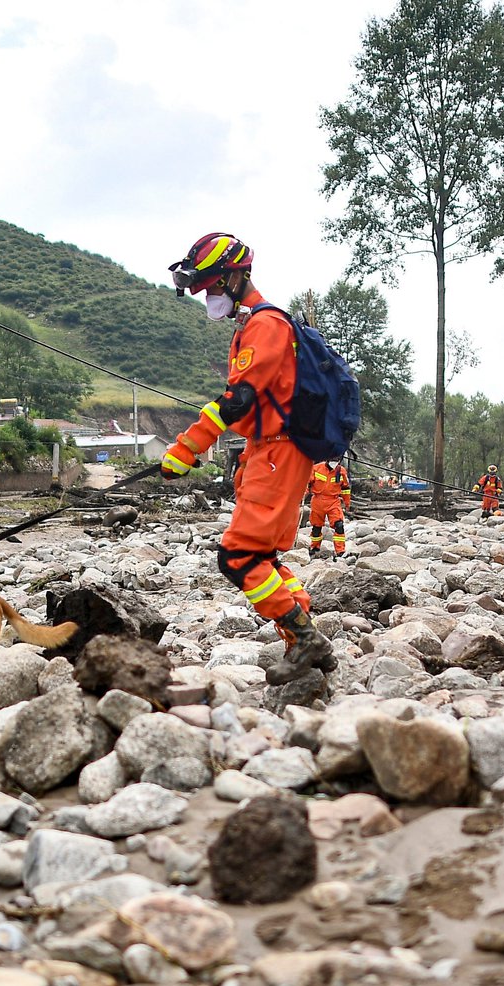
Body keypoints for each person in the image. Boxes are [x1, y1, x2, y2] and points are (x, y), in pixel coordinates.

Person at [160, 231, 335, 684]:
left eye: (214, 286)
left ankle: (304, 637)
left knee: (237, 558)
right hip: (269, 451)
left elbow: (237, 400)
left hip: (278, 452)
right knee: (265, 557)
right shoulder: (251, 325)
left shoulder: (265, 325)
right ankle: (304, 640)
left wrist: (186, 449)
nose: (209, 296)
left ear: (237, 276)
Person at [306, 459, 350, 558]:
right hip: (318, 501)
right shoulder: (316, 468)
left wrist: (347, 503)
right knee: (316, 527)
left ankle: (340, 551)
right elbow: (307, 483)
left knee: (339, 525)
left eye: (337, 459)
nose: (334, 462)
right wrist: (303, 494)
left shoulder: (341, 471)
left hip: (333, 502)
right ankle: (315, 547)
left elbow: (345, 488)